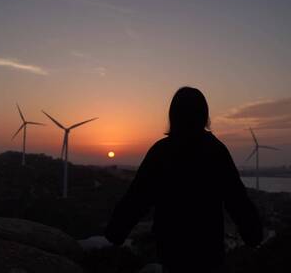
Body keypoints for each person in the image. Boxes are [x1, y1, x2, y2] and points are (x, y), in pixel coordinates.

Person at [105, 86, 263, 272]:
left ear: (173, 116)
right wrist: (253, 234)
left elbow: (138, 197)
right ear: (204, 116)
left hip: (172, 248)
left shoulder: (161, 151)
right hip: (208, 249)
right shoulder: (216, 151)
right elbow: (236, 198)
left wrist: (116, 232)